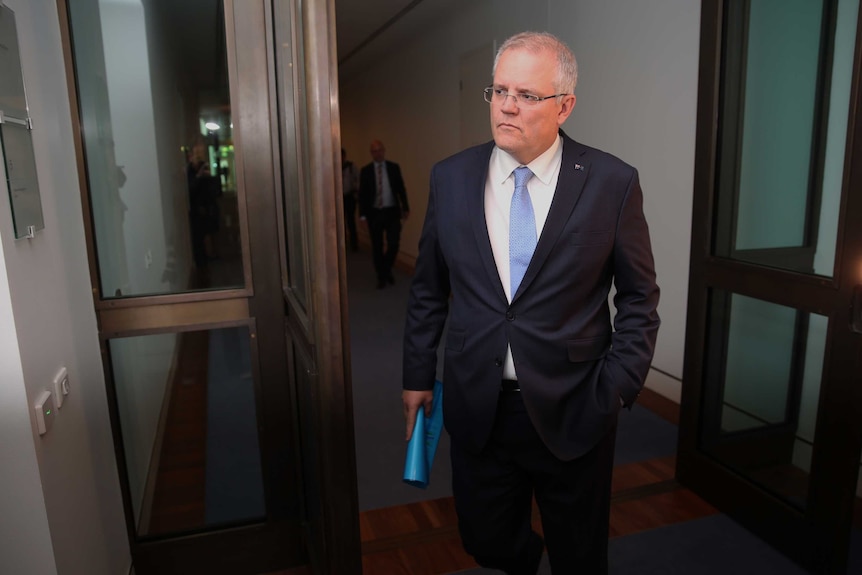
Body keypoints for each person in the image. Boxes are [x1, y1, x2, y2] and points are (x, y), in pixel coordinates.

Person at [401, 31, 660, 574]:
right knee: (487, 541)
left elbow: (639, 296)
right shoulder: (451, 178)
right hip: (478, 402)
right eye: (499, 91)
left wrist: (617, 387)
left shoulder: (611, 182)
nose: (508, 106)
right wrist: (417, 376)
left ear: (564, 105)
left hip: (577, 404)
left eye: (527, 94)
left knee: (581, 553)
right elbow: (428, 288)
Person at [358, 139, 410, 289]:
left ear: (384, 150)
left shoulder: (394, 167)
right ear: (371, 153)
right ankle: (382, 276)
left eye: (380, 150)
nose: (378, 153)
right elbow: (362, 195)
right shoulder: (366, 171)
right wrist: (362, 216)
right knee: (377, 246)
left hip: (392, 212)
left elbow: (401, 188)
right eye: (374, 151)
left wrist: (405, 207)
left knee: (394, 243)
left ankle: (385, 270)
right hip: (374, 213)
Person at [341, 148, 360, 251]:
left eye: (342, 156)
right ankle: (342, 243)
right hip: (339, 198)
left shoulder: (351, 167)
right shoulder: (334, 167)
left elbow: (358, 178)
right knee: (340, 222)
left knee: (351, 221)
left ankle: (354, 244)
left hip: (349, 197)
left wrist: (356, 190)